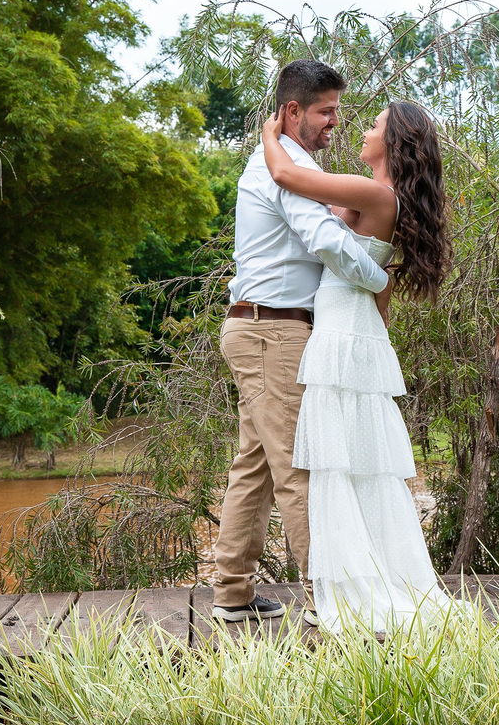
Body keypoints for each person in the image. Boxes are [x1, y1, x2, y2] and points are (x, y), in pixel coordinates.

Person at [260, 99, 455, 633]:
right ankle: (364, 577)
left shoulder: (375, 193)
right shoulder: (378, 196)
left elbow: (285, 175)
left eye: (374, 125)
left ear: (391, 144)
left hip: (341, 334)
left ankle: (355, 590)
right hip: (353, 332)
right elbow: (378, 292)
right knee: (352, 464)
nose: (362, 131)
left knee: (338, 466)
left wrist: (269, 133)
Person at [213, 59, 391, 625]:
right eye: (326, 111)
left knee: (255, 467)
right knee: (299, 468)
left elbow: (326, 225)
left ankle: (231, 593)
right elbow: (324, 241)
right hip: (273, 332)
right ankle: (330, 600)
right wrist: (381, 278)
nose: (336, 121)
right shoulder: (284, 167)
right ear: (293, 111)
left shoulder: (288, 163)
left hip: (262, 328)